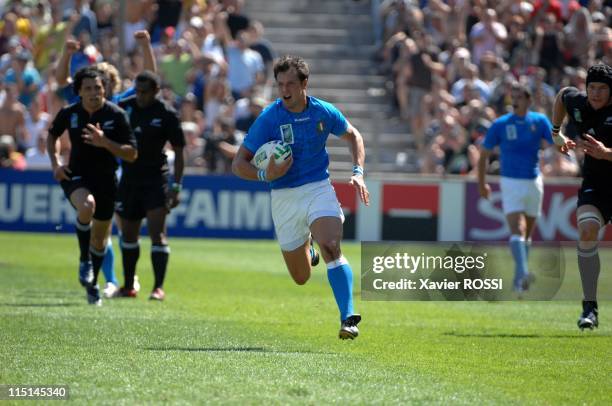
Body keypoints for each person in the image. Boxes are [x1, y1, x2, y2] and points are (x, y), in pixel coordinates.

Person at [232, 55, 370, 339]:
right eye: (280, 84)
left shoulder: (323, 112)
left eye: (291, 84)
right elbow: (239, 163)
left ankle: (348, 318)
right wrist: (264, 175)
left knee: (331, 245)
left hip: (318, 188)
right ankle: (308, 250)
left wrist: (358, 171)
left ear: (304, 83)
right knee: (301, 278)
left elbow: (353, 136)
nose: (284, 90)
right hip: (284, 197)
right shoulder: (270, 117)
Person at [46, 66, 137, 306]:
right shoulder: (69, 113)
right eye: (88, 88)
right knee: (87, 206)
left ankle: (93, 283)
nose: (94, 92)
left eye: (98, 87)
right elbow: (52, 135)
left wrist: (104, 142)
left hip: (107, 181)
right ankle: (83, 261)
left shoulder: (116, 115)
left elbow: (131, 154)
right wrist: (56, 163)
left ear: (105, 89)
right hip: (76, 176)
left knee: (100, 240)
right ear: (79, 92)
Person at [550, 63, 612, 330]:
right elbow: (562, 94)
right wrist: (556, 132)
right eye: (592, 88)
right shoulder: (578, 103)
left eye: (602, 88)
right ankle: (589, 308)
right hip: (595, 186)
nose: (596, 93)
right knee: (586, 232)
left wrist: (607, 154)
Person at [478, 82, 553, 295]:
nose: (516, 100)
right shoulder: (500, 124)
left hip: (533, 181)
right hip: (510, 182)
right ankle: (523, 273)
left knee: (527, 234)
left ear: (529, 100)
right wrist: (481, 183)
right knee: (516, 230)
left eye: (520, 96)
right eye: (514, 97)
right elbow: (484, 155)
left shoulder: (539, 121)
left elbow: (554, 142)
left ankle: (519, 279)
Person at [116, 71, 185, 301]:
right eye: (137, 91)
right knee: (128, 235)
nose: (140, 96)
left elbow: (179, 151)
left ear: (156, 91)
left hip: (156, 180)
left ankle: (158, 288)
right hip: (129, 179)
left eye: (145, 92)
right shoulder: (124, 107)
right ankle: (128, 286)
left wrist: (175, 187)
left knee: (158, 234)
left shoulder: (166, 114)